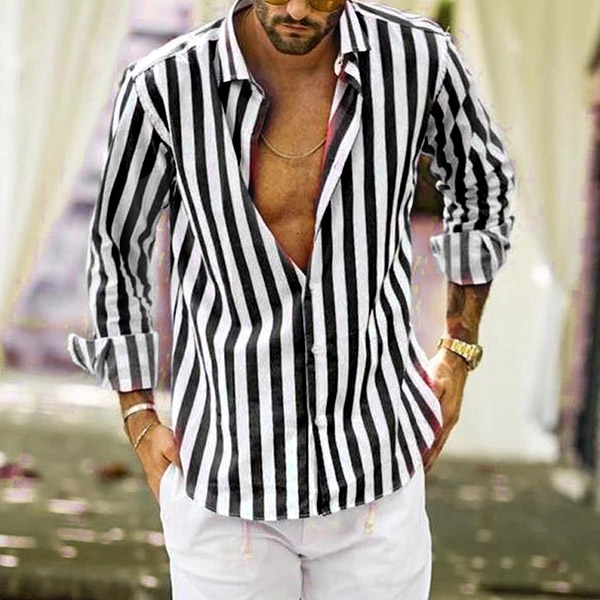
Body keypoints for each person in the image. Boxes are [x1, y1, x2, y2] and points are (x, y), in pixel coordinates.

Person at [67, 0, 516, 597]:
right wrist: (137, 413)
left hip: (375, 479)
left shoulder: (418, 59)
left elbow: (483, 186)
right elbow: (117, 246)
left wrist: (458, 349)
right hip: (226, 487)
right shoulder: (165, 86)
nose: (299, 9)